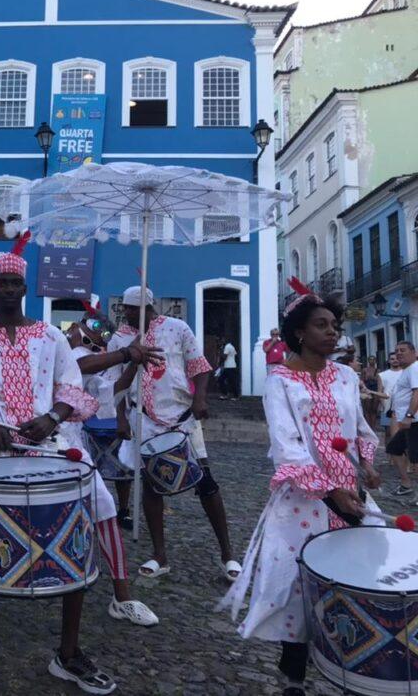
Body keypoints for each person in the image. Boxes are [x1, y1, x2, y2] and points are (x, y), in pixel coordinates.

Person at [0, 235, 121, 692]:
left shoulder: (51, 335)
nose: (10, 289)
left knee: (79, 528)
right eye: (3, 283)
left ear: (25, 287)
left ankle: (69, 651)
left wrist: (53, 415)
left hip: (52, 444)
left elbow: (72, 384)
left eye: (17, 282)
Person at [220, 290, 381, 696]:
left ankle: (355, 668)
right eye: (321, 325)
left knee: (355, 582)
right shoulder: (279, 381)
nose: (332, 333)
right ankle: (294, 678)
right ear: (298, 332)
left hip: (351, 495)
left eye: (335, 326)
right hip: (302, 502)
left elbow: (360, 429)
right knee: (297, 588)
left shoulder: (345, 376)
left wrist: (368, 463)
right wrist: (330, 493)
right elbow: (288, 445)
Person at [111, 286, 241, 582]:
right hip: (144, 420)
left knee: (206, 483)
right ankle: (160, 555)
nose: (127, 313)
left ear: (146, 306)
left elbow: (199, 366)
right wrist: (121, 416)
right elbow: (116, 386)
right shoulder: (121, 340)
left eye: (132, 308)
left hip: (182, 417)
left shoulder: (178, 328)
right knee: (151, 486)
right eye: (125, 309)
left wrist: (201, 399)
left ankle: (228, 554)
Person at [66, 311, 163, 534]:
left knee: (99, 502)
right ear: (74, 327)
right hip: (46, 431)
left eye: (105, 332)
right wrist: (126, 354)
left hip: (71, 438)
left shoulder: (93, 361)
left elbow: (114, 389)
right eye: (97, 327)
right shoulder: (60, 347)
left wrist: (134, 363)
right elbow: (80, 365)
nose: (101, 334)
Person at [386, 341, 418, 497]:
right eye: (396, 350)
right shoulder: (407, 370)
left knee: (416, 460)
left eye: (403, 350)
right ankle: (406, 485)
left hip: (414, 421)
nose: (398, 353)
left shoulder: (415, 368)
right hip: (408, 422)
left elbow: (417, 393)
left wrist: (409, 416)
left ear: (414, 352)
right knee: (393, 448)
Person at [218, 336, 239, 401]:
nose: (221, 341)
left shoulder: (227, 347)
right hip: (231, 366)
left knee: (225, 380)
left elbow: (224, 357)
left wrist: (221, 350)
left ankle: (233, 395)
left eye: (221, 340)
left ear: (224, 340)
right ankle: (227, 394)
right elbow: (235, 355)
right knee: (226, 380)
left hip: (229, 367)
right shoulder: (232, 346)